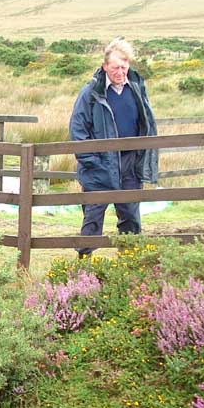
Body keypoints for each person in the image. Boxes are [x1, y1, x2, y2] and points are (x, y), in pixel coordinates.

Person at [68, 38, 158, 257]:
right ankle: (83, 269)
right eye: (116, 67)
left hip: (130, 165)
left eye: (124, 67)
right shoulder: (90, 93)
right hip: (99, 166)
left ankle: (130, 263)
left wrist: (140, 158)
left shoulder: (136, 88)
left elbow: (146, 123)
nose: (121, 72)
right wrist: (93, 163)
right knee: (92, 219)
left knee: (130, 218)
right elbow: (78, 131)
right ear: (105, 66)